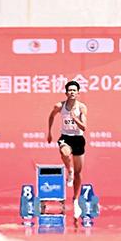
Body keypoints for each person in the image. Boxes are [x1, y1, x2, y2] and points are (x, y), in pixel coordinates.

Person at [47, 81, 87, 212]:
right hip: (66, 137)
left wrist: (76, 119)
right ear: (66, 93)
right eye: (70, 90)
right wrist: (49, 132)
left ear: (78, 93)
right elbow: (51, 116)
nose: (72, 92)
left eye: (74, 90)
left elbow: (84, 127)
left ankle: (75, 200)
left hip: (78, 138)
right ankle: (69, 170)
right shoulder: (60, 106)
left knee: (78, 173)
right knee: (64, 152)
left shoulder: (82, 107)